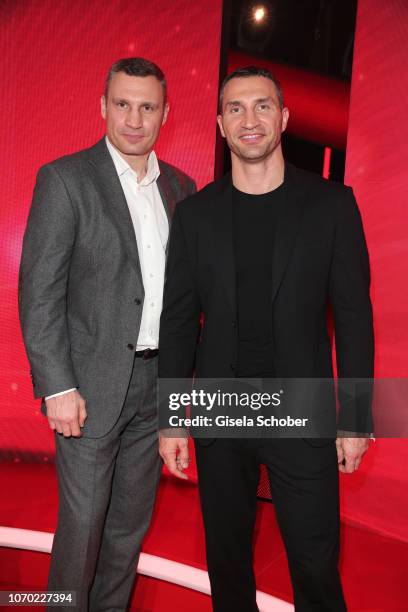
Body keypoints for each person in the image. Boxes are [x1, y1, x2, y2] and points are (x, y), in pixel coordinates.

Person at [158, 66, 374, 611]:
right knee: (226, 562)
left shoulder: (332, 205)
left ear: (283, 116)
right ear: (220, 124)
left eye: (261, 106)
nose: (248, 119)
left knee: (314, 560)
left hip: (300, 408)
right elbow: (179, 321)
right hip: (219, 408)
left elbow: (353, 317)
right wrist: (172, 418)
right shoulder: (194, 215)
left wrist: (356, 417)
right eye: (235, 108)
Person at [19, 57, 195, 611]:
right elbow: (39, 290)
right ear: (103, 107)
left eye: (148, 106)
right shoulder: (65, 179)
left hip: (153, 383)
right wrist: (57, 386)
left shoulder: (183, 190)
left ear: (165, 113)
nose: (135, 119)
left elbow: (186, 304)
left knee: (126, 531)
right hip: (89, 389)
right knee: (83, 530)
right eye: (123, 104)